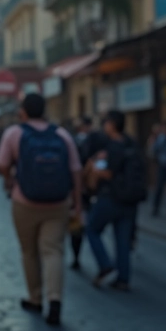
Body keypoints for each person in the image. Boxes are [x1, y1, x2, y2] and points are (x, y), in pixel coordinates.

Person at [0, 94, 82, 327]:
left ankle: (35, 298)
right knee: (53, 251)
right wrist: (78, 205)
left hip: (24, 200)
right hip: (58, 202)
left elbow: (1, 163)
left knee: (29, 251)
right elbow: (76, 171)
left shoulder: (14, 133)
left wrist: (10, 178)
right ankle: (55, 299)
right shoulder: (62, 135)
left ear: (23, 111)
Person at [85, 110, 147, 292]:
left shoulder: (112, 147)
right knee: (123, 240)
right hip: (131, 200)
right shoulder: (132, 144)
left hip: (112, 197)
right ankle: (123, 278)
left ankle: (104, 263)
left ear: (111, 124)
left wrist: (95, 170)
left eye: (106, 122)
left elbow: (109, 173)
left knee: (92, 229)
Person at [70, 116, 96, 271]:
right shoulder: (97, 141)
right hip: (90, 189)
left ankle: (76, 257)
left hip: (77, 189)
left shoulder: (72, 141)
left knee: (78, 225)